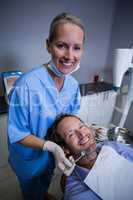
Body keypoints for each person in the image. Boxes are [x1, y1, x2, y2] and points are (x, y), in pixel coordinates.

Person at [7, 12, 85, 200]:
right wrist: (51, 146)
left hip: (51, 159)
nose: (69, 56)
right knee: (30, 191)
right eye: (61, 46)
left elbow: (71, 120)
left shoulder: (73, 85)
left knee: (44, 183)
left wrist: (79, 136)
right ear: (48, 45)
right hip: (29, 161)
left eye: (77, 48)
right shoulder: (26, 85)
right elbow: (17, 134)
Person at [47, 113, 133, 200]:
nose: (82, 134)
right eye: (71, 134)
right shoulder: (77, 192)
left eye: (81, 127)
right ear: (65, 149)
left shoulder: (112, 146)